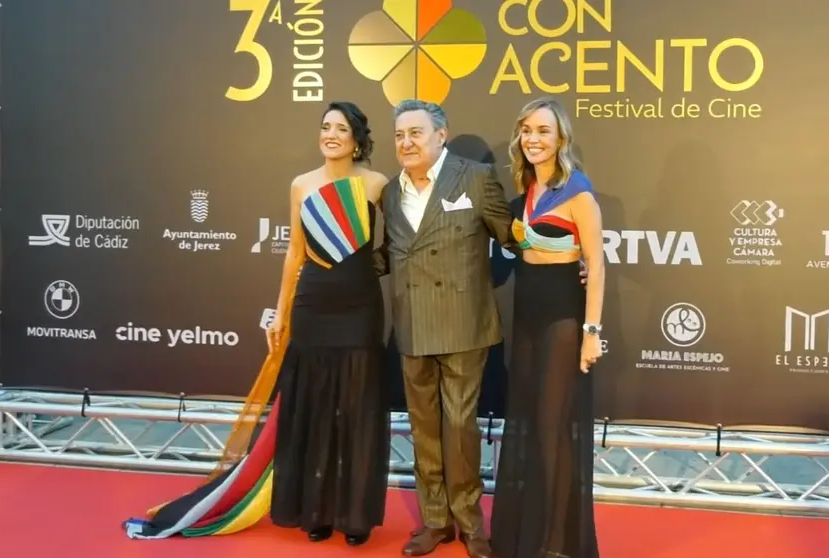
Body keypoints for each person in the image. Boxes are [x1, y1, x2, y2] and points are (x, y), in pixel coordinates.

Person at [123, 101, 391, 546]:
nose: (330, 134)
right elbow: (294, 253)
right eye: (325, 126)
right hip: (312, 307)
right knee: (314, 410)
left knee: (357, 411)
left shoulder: (378, 184)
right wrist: (281, 311)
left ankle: (355, 515)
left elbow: (399, 242)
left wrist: (367, 270)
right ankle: (317, 510)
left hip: (360, 309)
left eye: (341, 128)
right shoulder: (301, 185)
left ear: (357, 139)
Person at [374, 99, 513, 558]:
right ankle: (435, 521)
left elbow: (511, 237)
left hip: (464, 324)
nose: (406, 142)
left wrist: (569, 257)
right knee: (423, 427)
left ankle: (471, 523)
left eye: (415, 132)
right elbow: (385, 254)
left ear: (441, 134)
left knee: (458, 424)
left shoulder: (474, 176)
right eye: (399, 135)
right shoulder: (390, 193)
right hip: (412, 324)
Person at [489, 97, 604, 558]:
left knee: (553, 427)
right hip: (528, 316)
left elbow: (595, 265)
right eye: (527, 131)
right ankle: (527, 533)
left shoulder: (578, 192)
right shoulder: (524, 190)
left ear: (561, 139)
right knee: (530, 423)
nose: (533, 139)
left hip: (562, 318)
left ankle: (554, 543)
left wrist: (591, 331)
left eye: (543, 131)